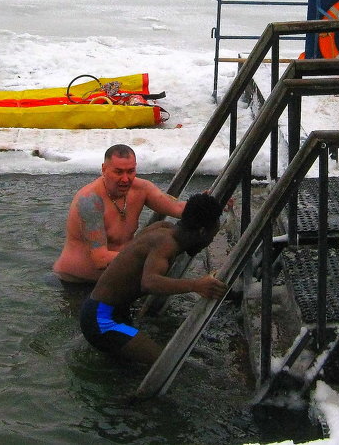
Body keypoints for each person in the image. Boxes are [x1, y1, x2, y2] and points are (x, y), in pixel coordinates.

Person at [79, 192, 228, 364]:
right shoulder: (165, 243)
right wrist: (197, 285)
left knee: (125, 369)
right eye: (212, 236)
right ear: (202, 231)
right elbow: (149, 282)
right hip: (102, 319)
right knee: (166, 366)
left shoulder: (163, 227)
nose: (210, 242)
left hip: (107, 311)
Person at [53, 144, 187, 285]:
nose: (125, 179)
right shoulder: (90, 201)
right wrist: (153, 256)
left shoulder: (141, 189)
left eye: (130, 171)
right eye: (118, 172)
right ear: (104, 169)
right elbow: (101, 259)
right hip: (77, 284)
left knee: (164, 228)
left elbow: (178, 208)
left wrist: (202, 204)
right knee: (102, 308)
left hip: (117, 279)